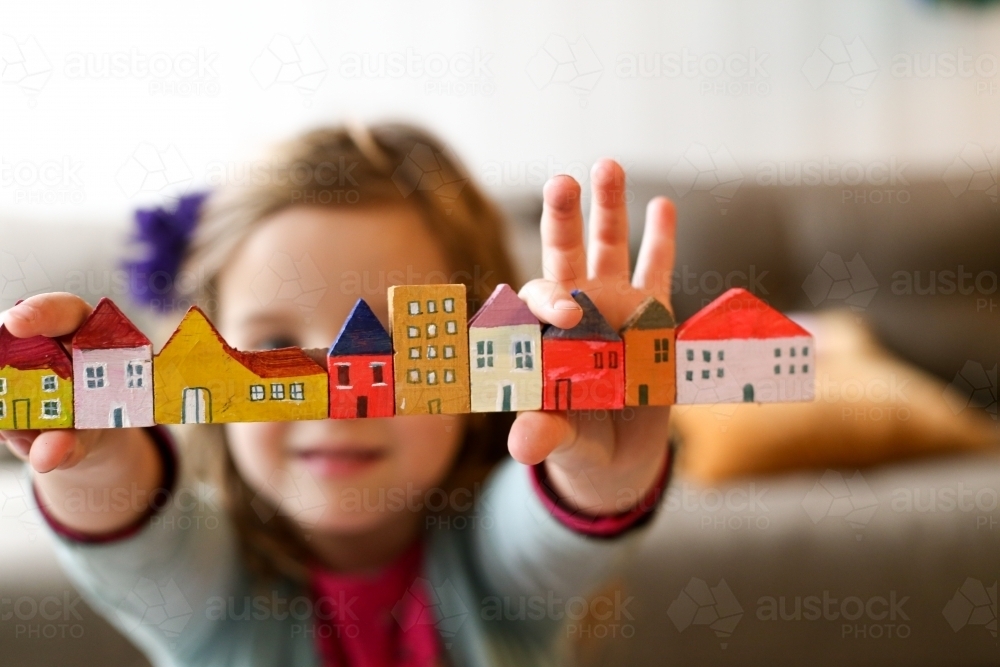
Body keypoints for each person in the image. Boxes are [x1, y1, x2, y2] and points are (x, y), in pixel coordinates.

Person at [0, 123, 676, 666]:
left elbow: (547, 530)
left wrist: (597, 467)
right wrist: (98, 451)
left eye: (387, 340)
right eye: (273, 344)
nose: (331, 395)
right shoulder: (212, 591)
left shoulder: (496, 575)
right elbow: (141, 540)